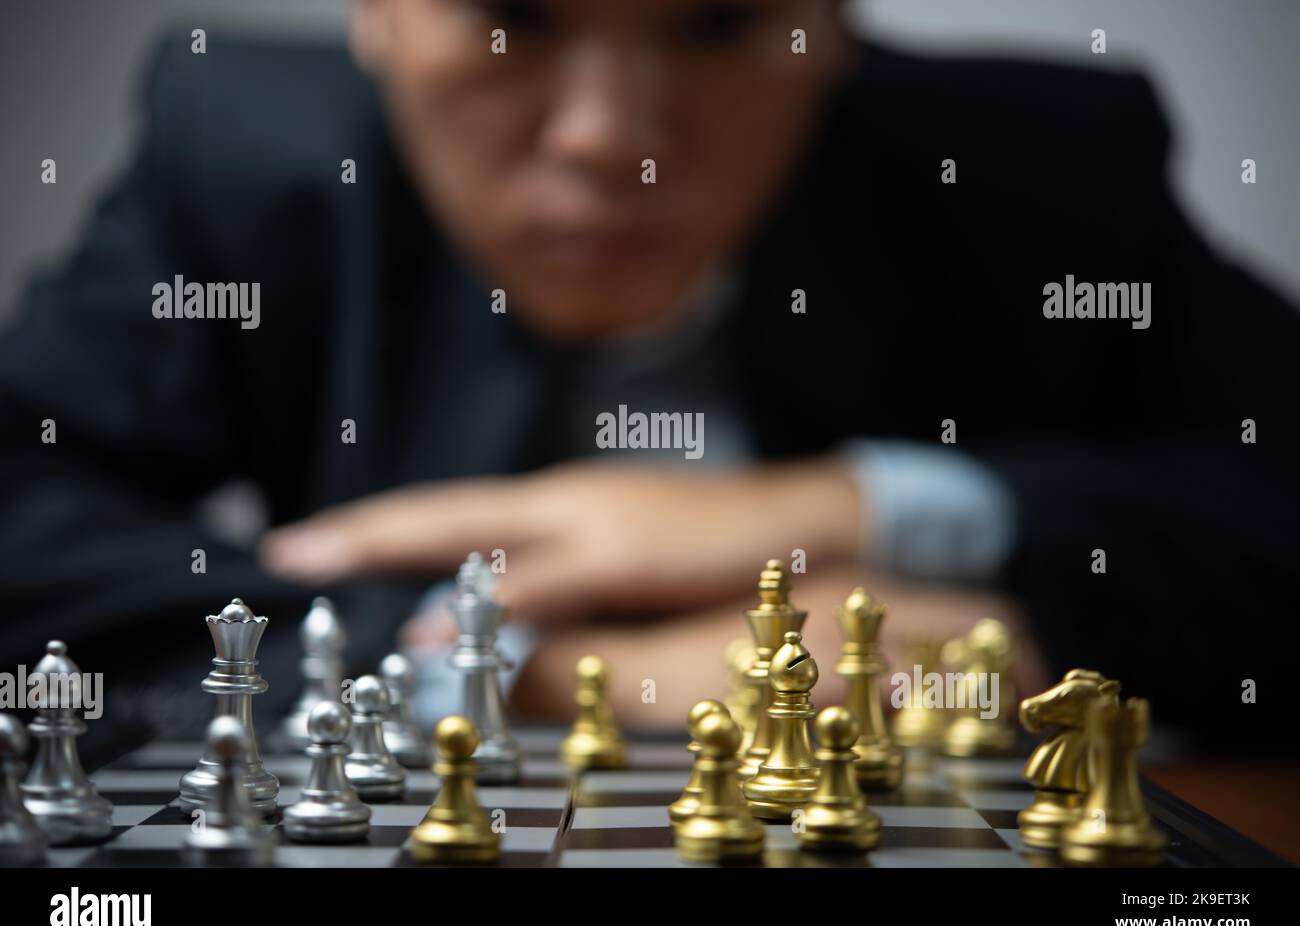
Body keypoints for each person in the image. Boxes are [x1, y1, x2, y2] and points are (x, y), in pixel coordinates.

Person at [0, 0, 1294, 747]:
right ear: (380, 14)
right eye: (513, 16)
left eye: (718, 21)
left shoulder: (1048, 168)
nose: (612, 141)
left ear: (830, 22)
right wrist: (547, 672)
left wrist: (851, 505)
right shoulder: (237, 159)